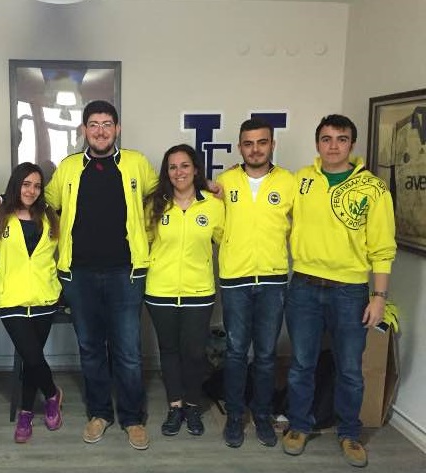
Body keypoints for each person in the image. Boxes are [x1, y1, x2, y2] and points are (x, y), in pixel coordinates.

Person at [283, 114, 396, 468]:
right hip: (303, 286)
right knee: (301, 364)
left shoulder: (373, 189)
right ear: (317, 143)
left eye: (341, 139)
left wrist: (379, 297)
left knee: (349, 368)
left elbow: (383, 248)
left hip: (350, 291)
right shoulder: (302, 180)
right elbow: (267, 204)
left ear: (352, 144)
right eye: (327, 139)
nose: (333, 146)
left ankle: (349, 433)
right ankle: (299, 425)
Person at [45, 100, 158, 450]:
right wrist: (3, 202)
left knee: (128, 350)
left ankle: (133, 419)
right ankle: (99, 413)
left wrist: (206, 188)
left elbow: (164, 196)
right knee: (90, 348)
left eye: (107, 124)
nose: (100, 131)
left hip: (126, 272)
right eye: (93, 124)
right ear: (84, 130)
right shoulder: (68, 167)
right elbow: (44, 203)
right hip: (79, 275)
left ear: (117, 129)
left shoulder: (136, 163)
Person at [216, 118, 295, 448]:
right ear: (240, 147)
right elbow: (215, 226)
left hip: (273, 279)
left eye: (262, 142)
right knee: (235, 352)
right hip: (235, 278)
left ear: (272, 145)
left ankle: (262, 414)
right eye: (248, 144)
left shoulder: (289, 182)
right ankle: (235, 415)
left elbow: (300, 226)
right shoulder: (225, 182)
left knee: (265, 354)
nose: (255, 149)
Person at [144, 144, 224, 437]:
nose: (179, 172)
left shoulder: (213, 205)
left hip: (198, 291)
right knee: (169, 350)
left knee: (194, 352)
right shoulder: (155, 205)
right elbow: (142, 242)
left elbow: (226, 241)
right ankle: (175, 406)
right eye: (173, 167)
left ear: (196, 169)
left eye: (185, 165)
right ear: (167, 172)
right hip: (160, 291)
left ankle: (192, 405)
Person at [0, 162, 63, 443]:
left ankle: (26, 413)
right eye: (26, 184)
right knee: (32, 356)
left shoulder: (50, 216)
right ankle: (52, 394)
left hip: (44, 297)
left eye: (37, 186)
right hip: (11, 299)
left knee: (32, 359)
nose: (31, 190)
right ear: (16, 185)